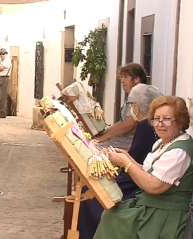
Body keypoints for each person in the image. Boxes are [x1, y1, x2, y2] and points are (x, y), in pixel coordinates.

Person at [94, 96, 193, 239]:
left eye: (166, 119)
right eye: (156, 119)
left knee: (113, 219)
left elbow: (154, 186)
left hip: (166, 215)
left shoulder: (179, 151)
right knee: (111, 214)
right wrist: (128, 159)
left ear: (179, 121)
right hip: (152, 207)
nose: (160, 124)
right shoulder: (162, 143)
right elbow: (151, 172)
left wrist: (126, 164)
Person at [78, 84, 161, 239]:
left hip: (136, 184)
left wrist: (120, 162)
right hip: (139, 175)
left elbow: (134, 164)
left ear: (136, 107)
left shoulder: (146, 126)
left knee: (89, 193)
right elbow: (136, 158)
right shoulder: (147, 126)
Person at [93, 63, 149, 150]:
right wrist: (105, 132)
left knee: (93, 147)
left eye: (126, 77)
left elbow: (130, 123)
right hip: (124, 140)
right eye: (122, 77)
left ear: (136, 79)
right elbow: (123, 121)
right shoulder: (133, 95)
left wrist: (105, 137)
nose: (122, 80)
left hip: (130, 143)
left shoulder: (140, 94)